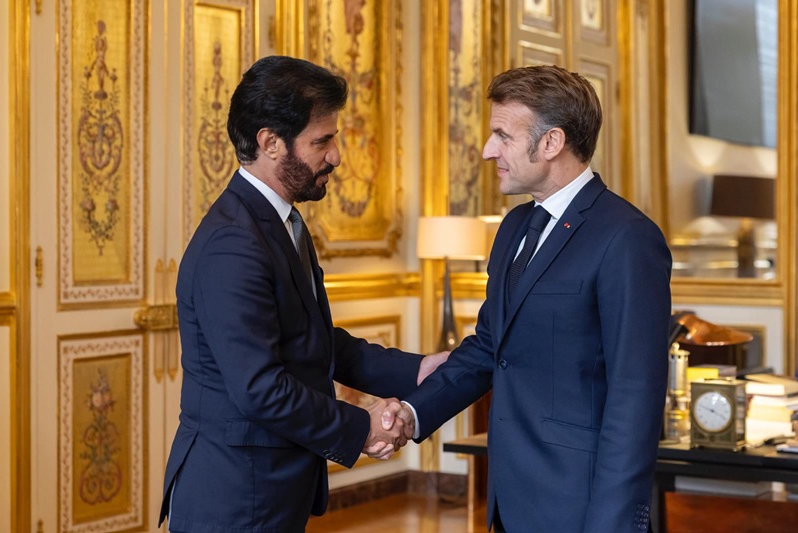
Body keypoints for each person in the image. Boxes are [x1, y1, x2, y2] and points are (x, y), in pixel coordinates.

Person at [158, 55, 447, 533]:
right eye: (323, 141)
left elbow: (313, 342)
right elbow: (261, 389)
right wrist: (363, 427)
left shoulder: (280, 222)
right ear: (270, 142)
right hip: (237, 497)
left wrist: (415, 370)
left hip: (268, 489)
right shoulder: (233, 243)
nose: (336, 156)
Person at [390, 65, 672, 532]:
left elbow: (635, 397)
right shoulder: (512, 229)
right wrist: (414, 412)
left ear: (551, 143)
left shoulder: (626, 238)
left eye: (502, 135)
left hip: (582, 507)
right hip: (509, 498)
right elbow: (488, 348)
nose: (487, 150)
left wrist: (614, 523)